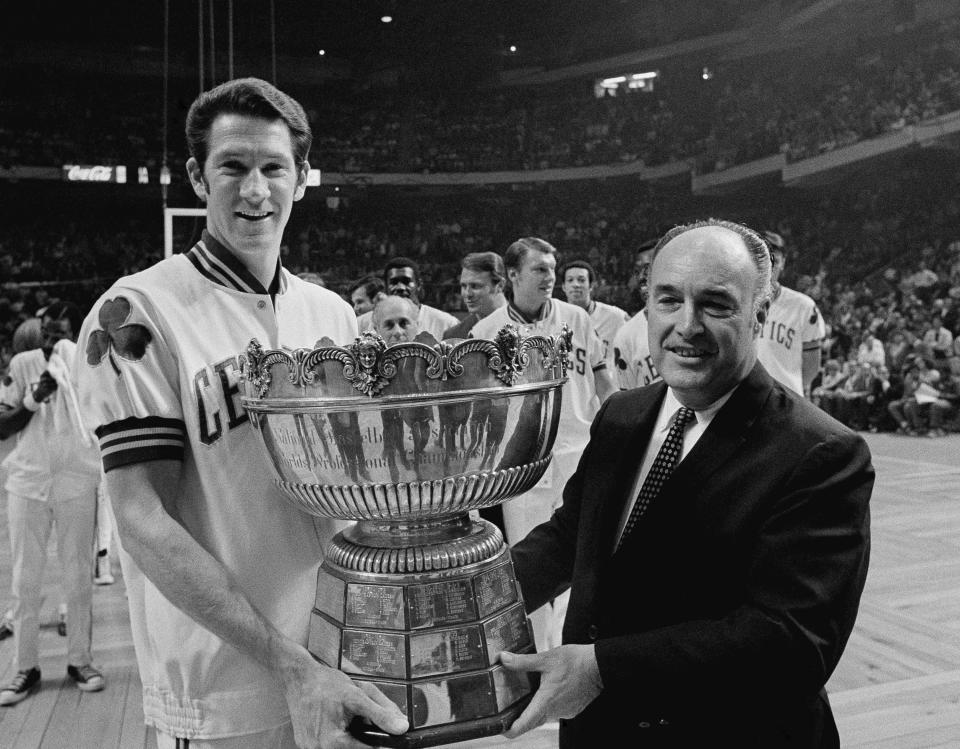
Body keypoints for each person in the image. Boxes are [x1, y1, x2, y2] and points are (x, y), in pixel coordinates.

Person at [75, 78, 407, 748]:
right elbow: (141, 520)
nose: (255, 190)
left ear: (302, 176)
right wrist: (290, 665)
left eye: (273, 167)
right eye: (233, 166)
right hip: (227, 681)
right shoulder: (136, 312)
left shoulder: (333, 313)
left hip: (343, 660)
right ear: (199, 177)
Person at [500, 219, 873, 748]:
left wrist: (604, 668)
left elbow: (792, 644)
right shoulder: (622, 415)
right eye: (668, 300)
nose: (686, 325)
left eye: (716, 304)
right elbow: (567, 538)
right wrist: (471, 597)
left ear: (759, 314)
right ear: (646, 306)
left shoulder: (822, 453)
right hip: (601, 730)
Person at [472, 237, 616, 650]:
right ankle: (535, 666)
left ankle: (573, 657)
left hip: (579, 456)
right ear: (513, 275)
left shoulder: (577, 318)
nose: (550, 277)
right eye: (540, 269)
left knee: (582, 563)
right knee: (531, 568)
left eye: (552, 269)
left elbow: (605, 383)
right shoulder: (486, 331)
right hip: (523, 466)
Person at [0, 302, 105, 706]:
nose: (54, 336)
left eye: (62, 328)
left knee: (78, 576)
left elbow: (100, 415)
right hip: (28, 480)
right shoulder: (23, 363)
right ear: (37, 329)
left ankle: (81, 659)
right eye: (48, 327)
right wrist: (30, 401)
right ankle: (25, 667)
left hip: (77, 477)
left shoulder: (83, 361)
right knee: (25, 580)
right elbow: (3, 424)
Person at [756, 230, 826, 398]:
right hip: (744, 401)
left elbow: (811, 366)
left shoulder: (804, 306)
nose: (769, 266)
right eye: (762, 259)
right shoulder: (737, 304)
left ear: (783, 263)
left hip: (786, 402)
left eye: (775, 260)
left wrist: (789, 394)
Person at [358, 257, 457, 339]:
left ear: (419, 285)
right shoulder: (362, 323)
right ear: (386, 287)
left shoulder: (446, 323)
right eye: (394, 282)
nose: (400, 287)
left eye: (406, 281)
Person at [560, 260, 629, 371]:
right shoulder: (557, 318)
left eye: (581, 280)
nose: (576, 285)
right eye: (570, 280)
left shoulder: (615, 316)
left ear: (591, 285)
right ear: (564, 287)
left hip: (607, 385)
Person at [613, 241, 662, 390]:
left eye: (648, 268)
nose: (641, 276)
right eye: (637, 270)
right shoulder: (626, 334)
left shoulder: (693, 321)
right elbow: (627, 398)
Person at [443, 252, 507, 340]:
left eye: (475, 286)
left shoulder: (525, 327)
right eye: (464, 286)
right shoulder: (454, 335)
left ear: (500, 286)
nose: (467, 294)